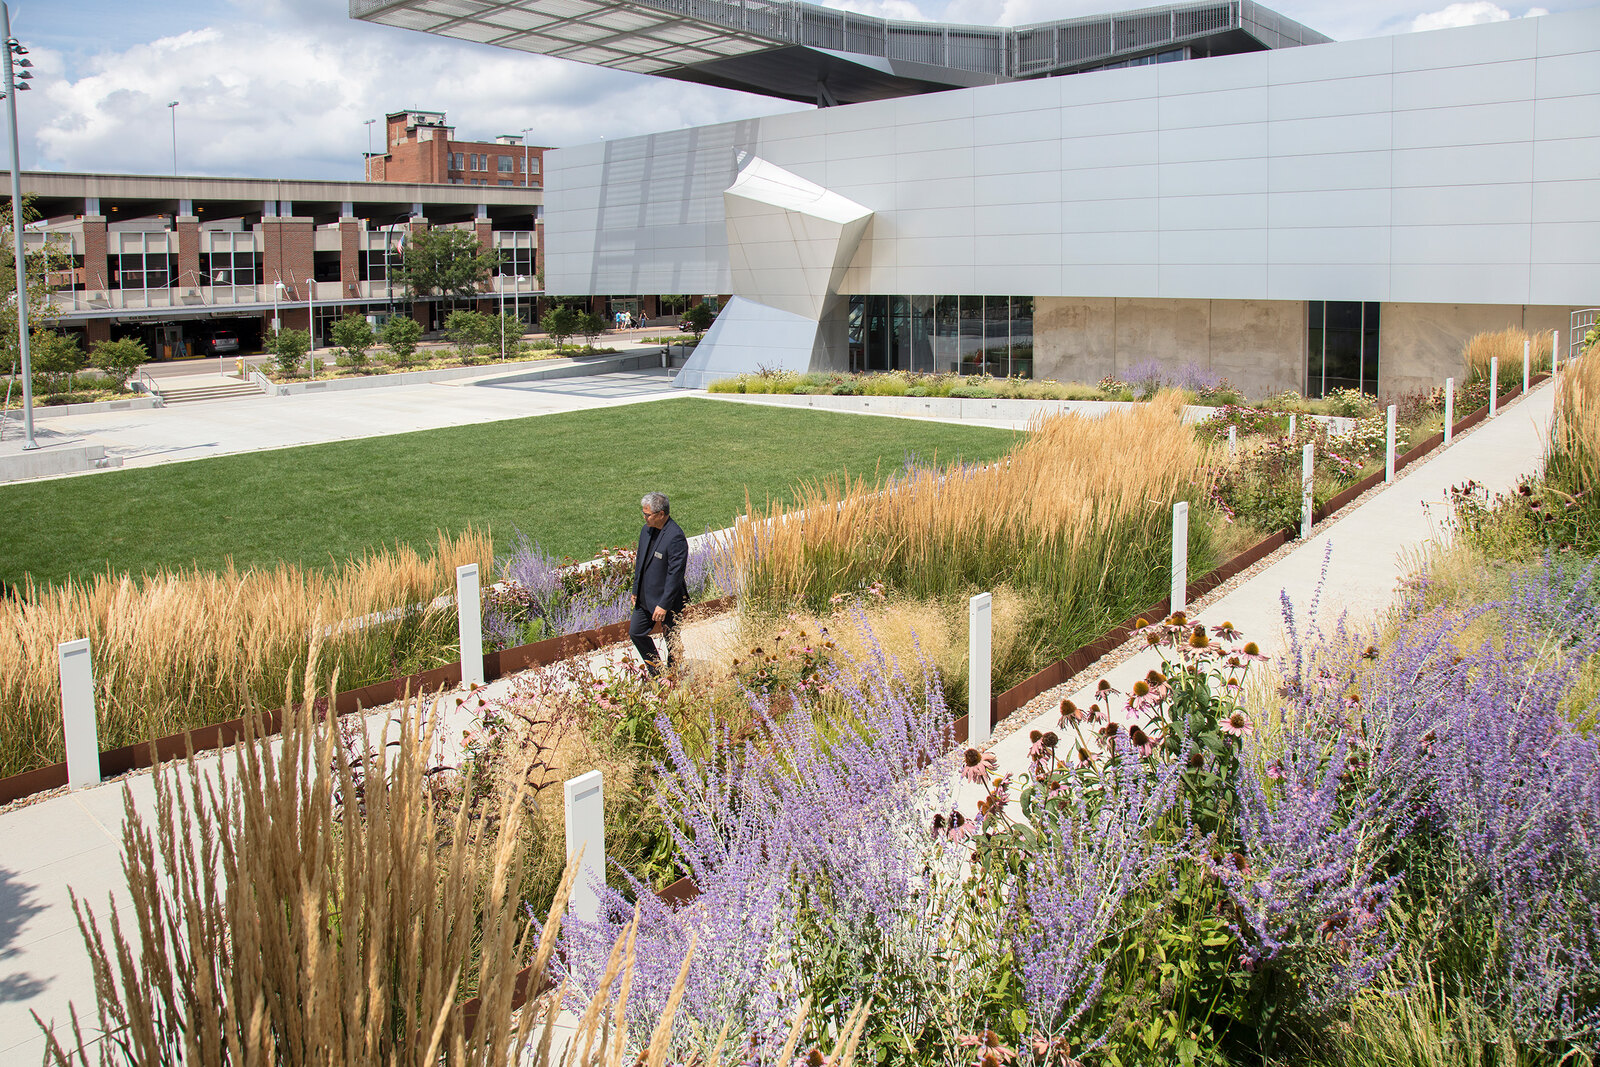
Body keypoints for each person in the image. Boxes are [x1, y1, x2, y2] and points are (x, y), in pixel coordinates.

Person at [630, 491, 688, 675]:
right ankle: (657, 672)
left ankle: (673, 676)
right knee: (636, 632)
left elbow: (675, 575)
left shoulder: (675, 537)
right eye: (644, 513)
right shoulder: (646, 530)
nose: (645, 517)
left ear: (661, 514)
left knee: (671, 638)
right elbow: (640, 562)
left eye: (648, 514)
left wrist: (663, 604)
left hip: (667, 601)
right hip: (644, 597)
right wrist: (635, 589)